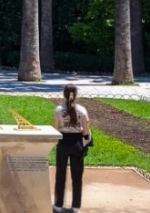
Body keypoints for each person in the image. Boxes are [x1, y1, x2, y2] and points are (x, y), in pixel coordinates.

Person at [53, 84, 91, 213]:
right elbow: (86, 131)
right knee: (77, 177)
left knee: (60, 175)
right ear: (76, 95)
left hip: (63, 142)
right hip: (77, 143)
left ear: (64, 94)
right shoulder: (82, 110)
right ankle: (75, 207)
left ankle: (58, 205)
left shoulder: (59, 110)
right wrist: (85, 142)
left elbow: (56, 129)